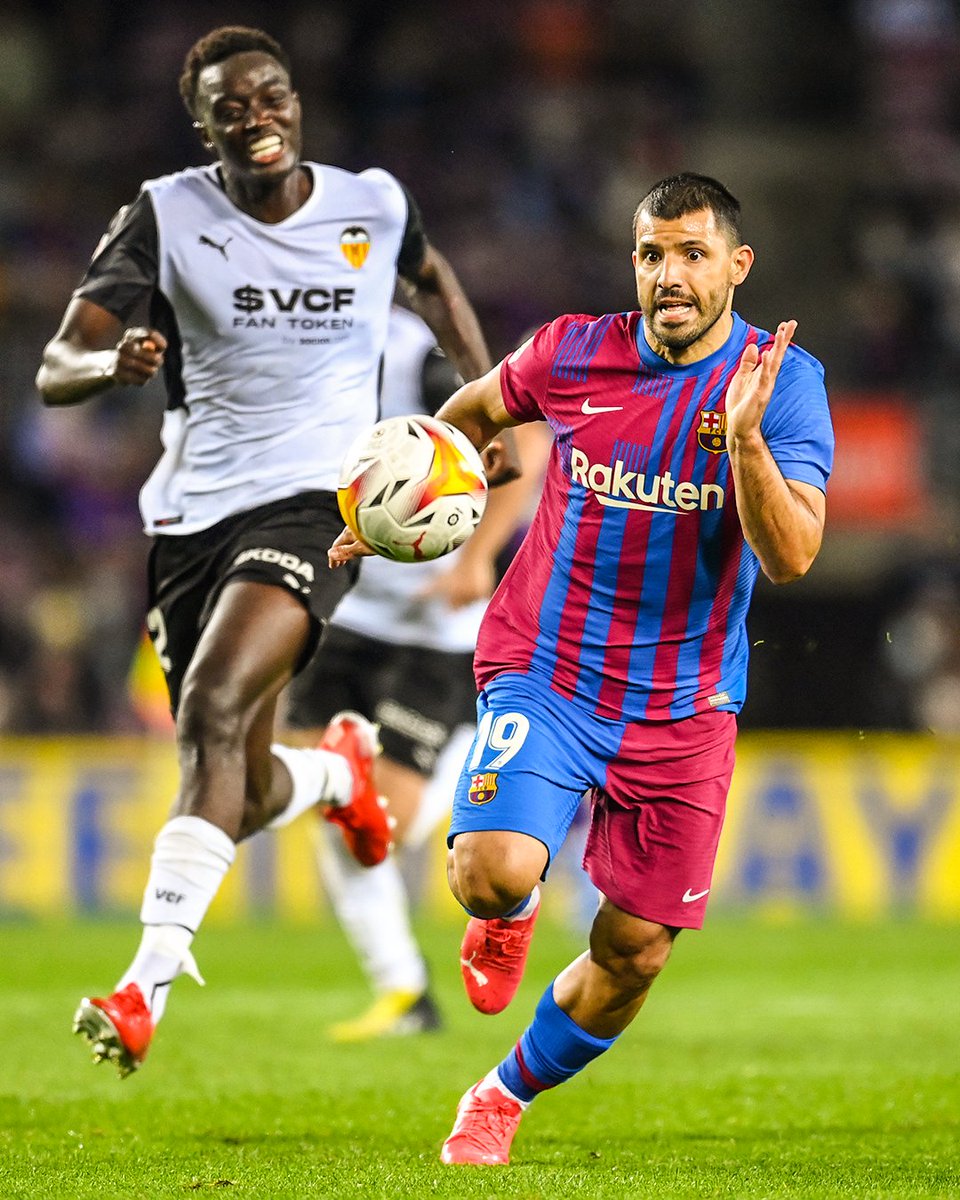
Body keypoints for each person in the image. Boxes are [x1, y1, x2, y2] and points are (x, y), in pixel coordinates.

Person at [332, 171, 834, 1165]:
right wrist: (396, 507)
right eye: (652, 253)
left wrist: (742, 443)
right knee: (490, 871)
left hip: (684, 708)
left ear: (736, 267)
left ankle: (500, 1094)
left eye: (693, 254)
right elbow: (473, 415)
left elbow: (792, 555)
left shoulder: (786, 384)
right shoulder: (571, 352)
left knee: (635, 952)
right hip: (546, 670)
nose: (669, 274)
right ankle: (509, 912)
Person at [35, 24, 492, 1079]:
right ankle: (334, 777)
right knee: (230, 780)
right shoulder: (166, 214)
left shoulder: (371, 204)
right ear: (203, 124)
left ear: (296, 103)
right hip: (191, 515)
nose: (257, 116)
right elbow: (60, 358)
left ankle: (142, 989)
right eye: (230, 105)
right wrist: (110, 361)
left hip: (317, 509)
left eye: (272, 95)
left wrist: (485, 415)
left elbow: (434, 282)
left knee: (205, 707)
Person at [284, 304, 546, 1041]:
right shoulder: (295, 350)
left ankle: (467, 760)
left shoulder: (414, 354)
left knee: (385, 822)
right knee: (331, 803)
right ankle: (403, 992)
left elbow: (525, 435)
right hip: (354, 611)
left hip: (437, 625)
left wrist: (479, 556)